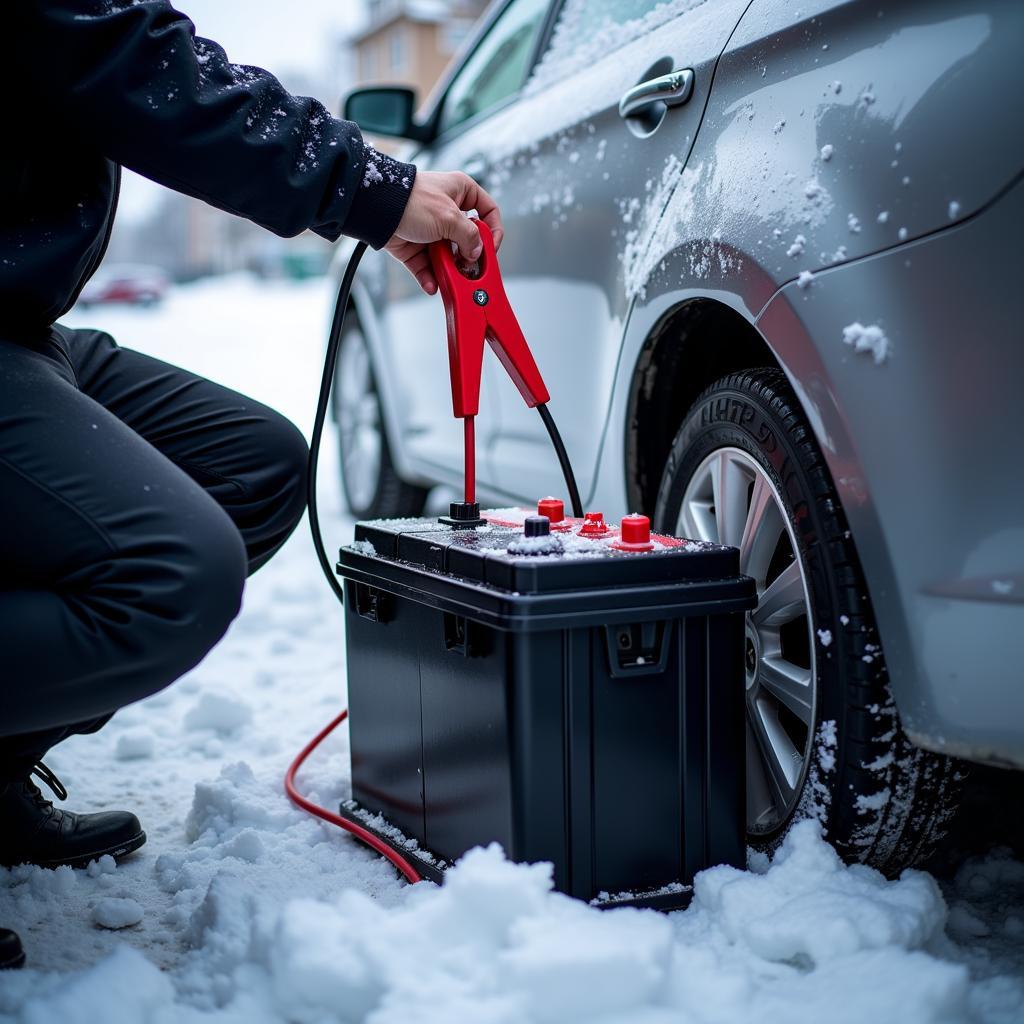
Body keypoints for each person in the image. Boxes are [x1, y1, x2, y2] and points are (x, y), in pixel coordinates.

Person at [0, 0, 503, 968]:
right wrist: (369, 187)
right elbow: (128, 60)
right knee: (170, 569)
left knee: (257, 466)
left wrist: (371, 195)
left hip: (26, 327)